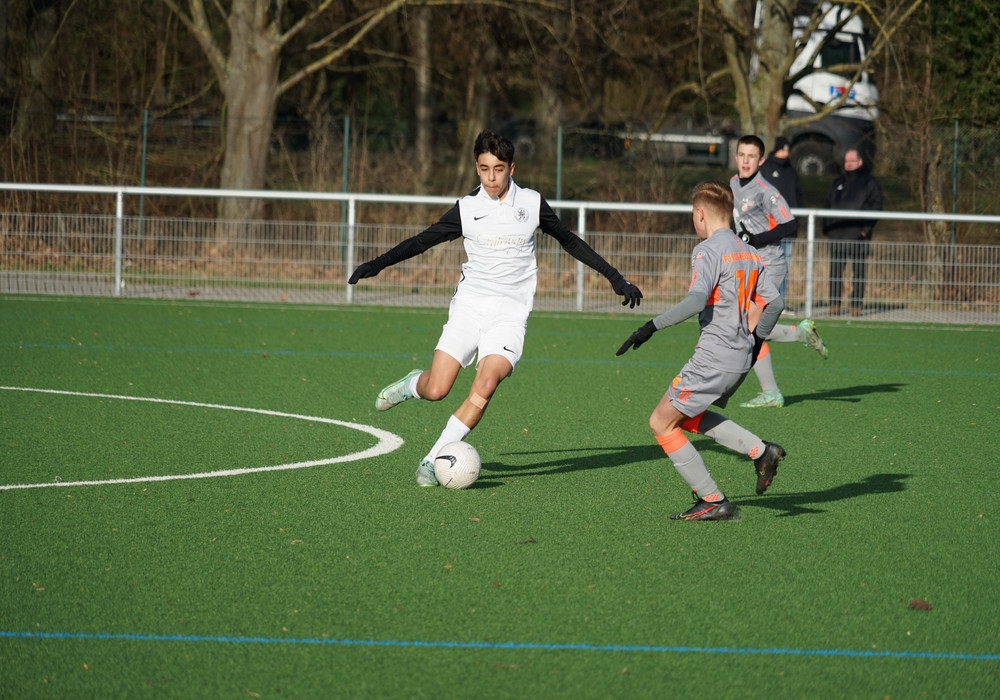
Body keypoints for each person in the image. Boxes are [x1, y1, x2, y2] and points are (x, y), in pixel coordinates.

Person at [348, 128, 643, 486]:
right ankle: (413, 384)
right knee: (437, 389)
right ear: (477, 167)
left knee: (486, 384)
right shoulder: (466, 209)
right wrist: (377, 263)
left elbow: (570, 241)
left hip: (510, 316)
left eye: (499, 169)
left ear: (511, 169)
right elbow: (422, 241)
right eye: (485, 169)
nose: (491, 178)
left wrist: (614, 277)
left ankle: (431, 459)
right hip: (469, 309)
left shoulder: (531, 204)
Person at [616, 180, 786, 521]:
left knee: (661, 423)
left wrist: (651, 326)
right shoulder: (749, 252)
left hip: (713, 357)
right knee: (688, 416)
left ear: (700, 214)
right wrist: (755, 343)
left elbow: (696, 301)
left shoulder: (706, 250)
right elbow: (775, 303)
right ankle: (761, 451)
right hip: (738, 359)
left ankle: (713, 500)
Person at [730, 134, 828, 409]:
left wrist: (755, 239)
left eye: (752, 156)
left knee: (749, 329)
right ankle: (800, 334)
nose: (746, 160)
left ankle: (772, 393)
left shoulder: (766, 190)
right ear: (736, 157)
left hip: (769, 265)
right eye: (742, 155)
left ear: (761, 160)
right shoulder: (733, 183)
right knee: (750, 328)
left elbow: (790, 225)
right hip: (748, 265)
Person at [823, 148, 883, 317]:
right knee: (835, 272)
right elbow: (827, 205)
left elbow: (877, 206)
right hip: (837, 234)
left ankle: (856, 306)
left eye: (852, 161)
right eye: (846, 161)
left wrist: (866, 230)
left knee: (859, 272)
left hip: (858, 236)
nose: (848, 164)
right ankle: (834, 304)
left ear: (860, 162)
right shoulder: (837, 182)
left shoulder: (869, 182)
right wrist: (827, 228)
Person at [761, 136, 802, 299]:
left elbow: (797, 197)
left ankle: (780, 300)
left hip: (787, 229)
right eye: (783, 149)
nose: (786, 153)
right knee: (767, 266)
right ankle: (765, 300)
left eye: (787, 149)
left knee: (784, 266)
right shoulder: (765, 168)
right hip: (769, 229)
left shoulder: (791, 171)